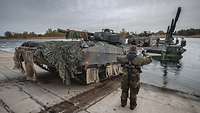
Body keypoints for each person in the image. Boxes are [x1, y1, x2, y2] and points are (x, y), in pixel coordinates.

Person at [118, 46, 152, 110]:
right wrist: (144, 53)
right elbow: (150, 59)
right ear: (135, 51)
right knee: (133, 91)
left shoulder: (124, 57)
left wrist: (125, 54)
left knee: (124, 90)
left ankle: (123, 103)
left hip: (125, 77)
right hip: (134, 78)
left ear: (129, 50)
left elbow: (118, 58)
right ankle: (132, 106)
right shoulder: (140, 58)